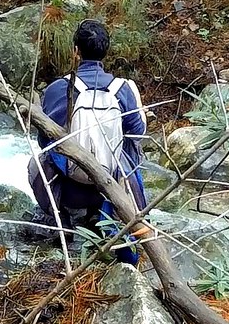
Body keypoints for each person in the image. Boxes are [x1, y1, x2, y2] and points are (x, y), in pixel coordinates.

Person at [27, 19, 150, 264]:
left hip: (71, 187)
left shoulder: (58, 88)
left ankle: (61, 220)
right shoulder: (122, 89)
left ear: (76, 51)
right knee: (128, 157)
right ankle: (105, 218)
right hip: (110, 187)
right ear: (106, 51)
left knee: (35, 164)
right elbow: (137, 135)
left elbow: (44, 140)